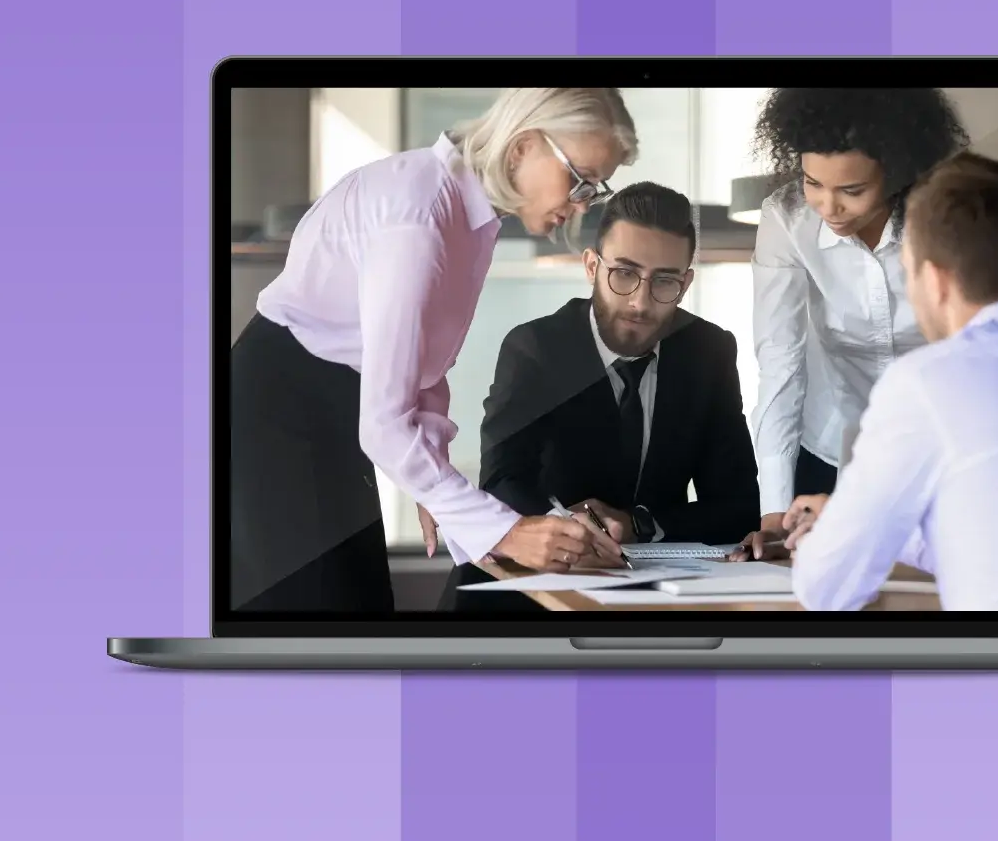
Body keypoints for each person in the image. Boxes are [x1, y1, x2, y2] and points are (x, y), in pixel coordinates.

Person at [230, 88, 630, 613]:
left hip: (330, 406)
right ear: (522, 148)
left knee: (360, 609)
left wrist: (439, 485)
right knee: (320, 622)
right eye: (579, 179)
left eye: (595, 188)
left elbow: (421, 367)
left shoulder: (470, 214)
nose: (581, 203)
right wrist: (505, 531)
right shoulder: (420, 217)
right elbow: (384, 426)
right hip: (277, 413)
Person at [444, 183, 761, 609]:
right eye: (624, 274)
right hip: (526, 591)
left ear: (685, 284)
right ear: (592, 266)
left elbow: (737, 505)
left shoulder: (709, 351)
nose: (640, 303)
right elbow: (502, 482)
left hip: (656, 596)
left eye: (664, 281)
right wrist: (566, 528)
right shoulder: (536, 348)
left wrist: (638, 524)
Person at [774, 152, 998, 611]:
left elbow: (828, 589)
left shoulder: (928, 381)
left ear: (935, 280)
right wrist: (850, 519)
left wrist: (828, 541)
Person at [737, 88, 970, 559]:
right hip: (829, 446)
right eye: (813, 182)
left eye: (852, 190)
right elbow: (780, 364)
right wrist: (774, 514)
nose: (828, 207)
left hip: (939, 442)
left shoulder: (946, 220)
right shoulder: (786, 219)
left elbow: (971, 354)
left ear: (899, 173)